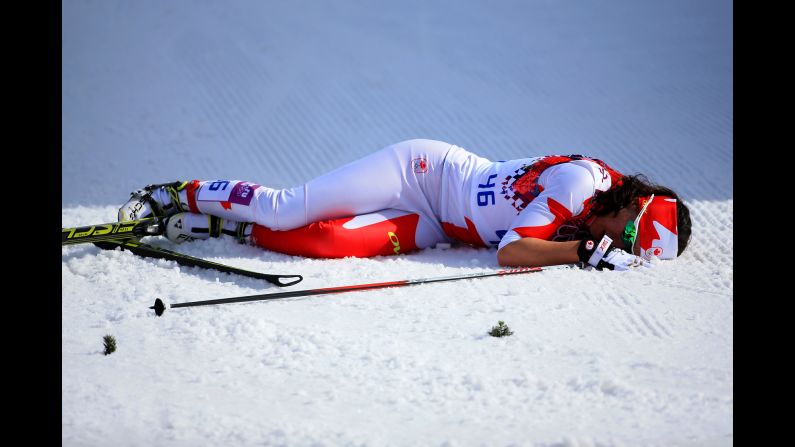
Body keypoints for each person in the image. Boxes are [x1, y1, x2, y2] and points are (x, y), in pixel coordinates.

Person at [119, 139, 691, 271]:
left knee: (329, 244)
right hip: (420, 172)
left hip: (438, 222)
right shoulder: (582, 185)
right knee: (287, 208)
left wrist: (586, 248)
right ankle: (172, 193)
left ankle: (210, 226)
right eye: (631, 237)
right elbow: (512, 251)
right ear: (632, 205)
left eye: (633, 250)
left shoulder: (603, 213)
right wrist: (581, 252)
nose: (622, 246)